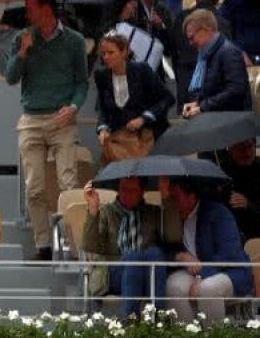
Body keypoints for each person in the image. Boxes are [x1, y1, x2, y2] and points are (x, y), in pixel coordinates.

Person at [6, 0, 89, 260]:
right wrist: (22, 52)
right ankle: (43, 245)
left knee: (68, 183)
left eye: (31, 9)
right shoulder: (22, 38)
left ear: (47, 9)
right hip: (31, 118)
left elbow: (82, 82)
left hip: (62, 117)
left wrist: (74, 107)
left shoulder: (74, 41)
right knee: (34, 187)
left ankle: (73, 244)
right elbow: (10, 77)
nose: (27, 14)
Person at [165, 178, 252, 322]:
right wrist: (180, 256)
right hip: (195, 271)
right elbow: (163, 249)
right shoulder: (173, 215)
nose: (170, 201)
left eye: (175, 196)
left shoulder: (218, 213)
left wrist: (202, 276)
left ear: (191, 197)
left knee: (207, 289)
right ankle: (188, 337)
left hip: (230, 271)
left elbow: (228, 254)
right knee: (173, 286)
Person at [82, 177, 167, 319]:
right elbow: (90, 246)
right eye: (123, 189)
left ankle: (160, 318)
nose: (126, 194)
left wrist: (166, 197)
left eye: (132, 190)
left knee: (155, 252)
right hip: (114, 271)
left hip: (148, 272)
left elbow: (171, 239)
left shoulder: (153, 213)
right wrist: (93, 209)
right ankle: (131, 320)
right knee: (132, 257)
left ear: (142, 192)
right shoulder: (107, 213)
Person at [93, 32, 173, 162]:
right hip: (120, 142)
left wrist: (143, 118)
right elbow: (103, 108)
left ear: (125, 52)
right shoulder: (102, 76)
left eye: (111, 52)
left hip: (148, 138)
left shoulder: (142, 70)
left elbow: (167, 98)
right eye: (103, 53)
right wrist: (103, 128)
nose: (106, 57)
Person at [181, 9, 252, 117]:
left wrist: (202, 107)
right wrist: (197, 104)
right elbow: (212, 91)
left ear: (206, 30)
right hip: (217, 118)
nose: (190, 43)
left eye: (192, 37)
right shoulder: (207, 54)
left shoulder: (229, 53)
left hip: (232, 122)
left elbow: (236, 91)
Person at [221, 138, 260, 240]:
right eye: (242, 148)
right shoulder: (222, 171)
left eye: (250, 147)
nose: (247, 153)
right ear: (231, 149)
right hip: (231, 232)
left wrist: (248, 204)